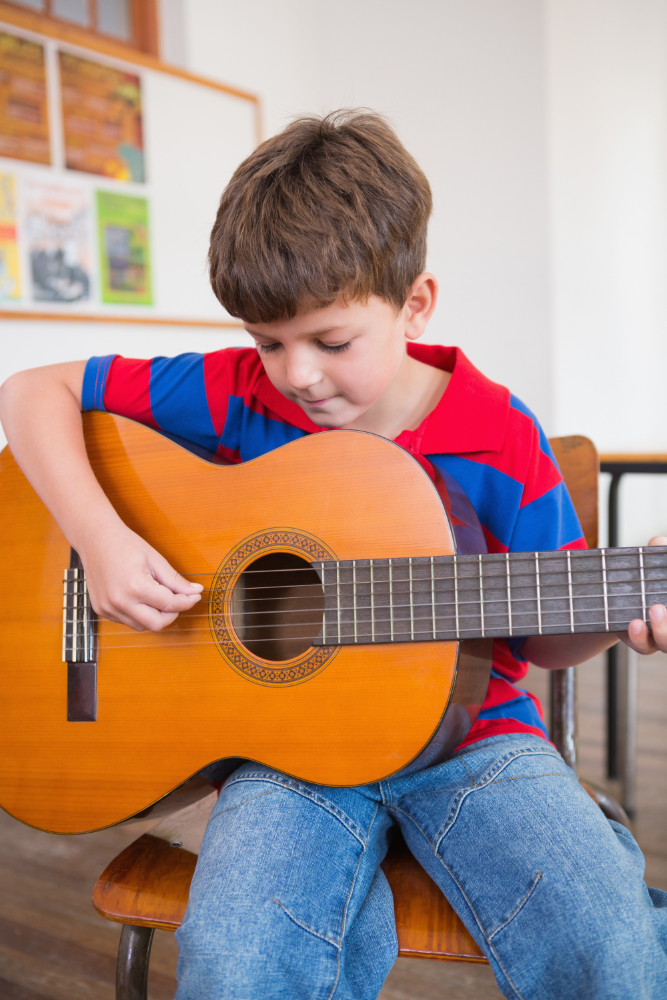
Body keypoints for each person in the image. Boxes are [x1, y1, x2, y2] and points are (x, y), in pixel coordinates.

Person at [1, 110, 666, 1000]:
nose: (296, 375)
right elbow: (31, 390)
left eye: (331, 342)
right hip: (285, 758)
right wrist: (103, 539)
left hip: (476, 742)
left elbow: (542, 644)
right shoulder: (232, 392)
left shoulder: (497, 434)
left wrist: (619, 615)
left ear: (415, 303)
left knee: (611, 946)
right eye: (267, 342)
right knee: (235, 966)